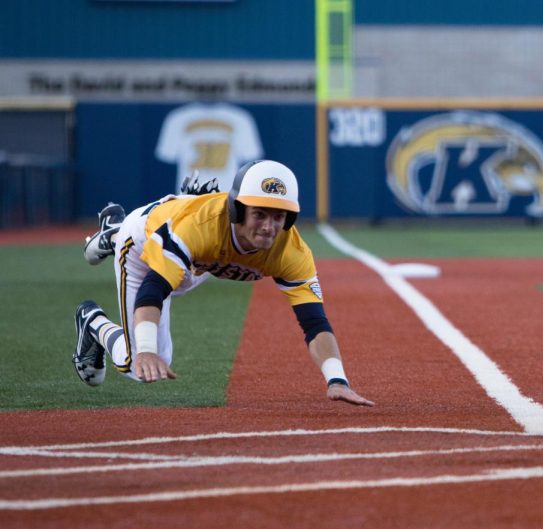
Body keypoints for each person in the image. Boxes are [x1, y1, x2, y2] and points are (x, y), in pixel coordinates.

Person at [73, 160, 374, 406]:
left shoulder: (291, 251)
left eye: (278, 216)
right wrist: (147, 349)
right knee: (137, 365)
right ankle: (93, 316)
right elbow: (153, 289)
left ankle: (148, 217)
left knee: (186, 269)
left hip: (195, 254)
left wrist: (337, 379)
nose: (269, 227)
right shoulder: (200, 229)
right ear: (237, 210)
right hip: (143, 249)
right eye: (259, 214)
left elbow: (314, 322)